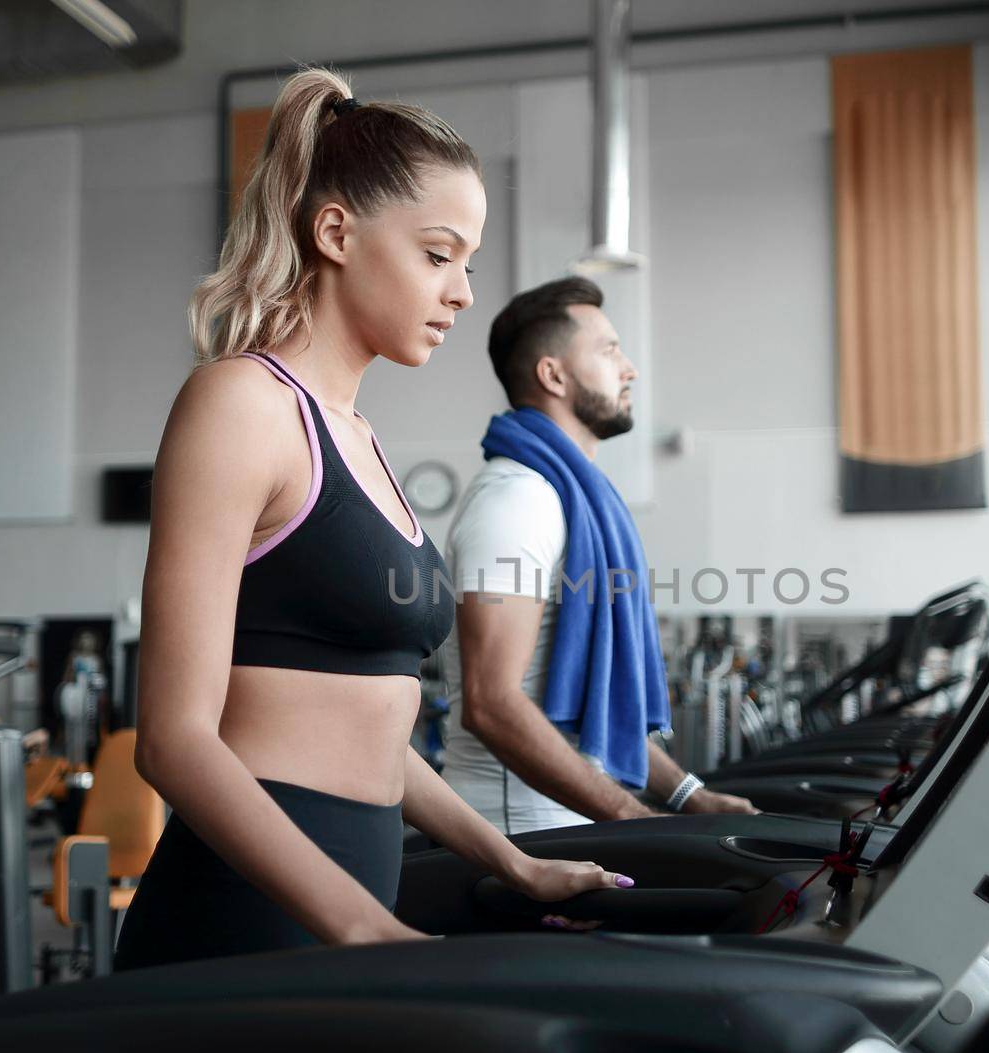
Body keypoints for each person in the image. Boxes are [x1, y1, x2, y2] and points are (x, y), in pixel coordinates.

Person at [115, 68, 629, 971]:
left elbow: (374, 734)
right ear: (336, 232)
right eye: (439, 255)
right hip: (252, 912)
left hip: (356, 890)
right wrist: (358, 926)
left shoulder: (355, 433)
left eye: (467, 262)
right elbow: (173, 740)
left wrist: (512, 863)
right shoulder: (241, 406)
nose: (464, 292)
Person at [441, 277, 758, 834]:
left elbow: (597, 707)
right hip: (518, 830)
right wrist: (635, 821)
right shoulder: (516, 500)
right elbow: (490, 703)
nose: (629, 369)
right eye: (610, 351)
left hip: (569, 820)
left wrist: (687, 797)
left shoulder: (570, 499)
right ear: (553, 374)